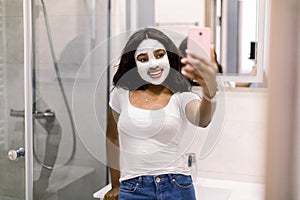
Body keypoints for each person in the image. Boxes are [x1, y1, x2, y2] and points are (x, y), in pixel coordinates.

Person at [104, 27, 218, 200]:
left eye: (159, 55)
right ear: (134, 64)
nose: (154, 64)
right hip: (133, 188)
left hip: (177, 186)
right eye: (143, 59)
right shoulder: (120, 93)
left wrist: (209, 90)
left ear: (169, 56)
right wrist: (115, 184)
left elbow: (203, 120)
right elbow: (112, 137)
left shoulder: (181, 95)